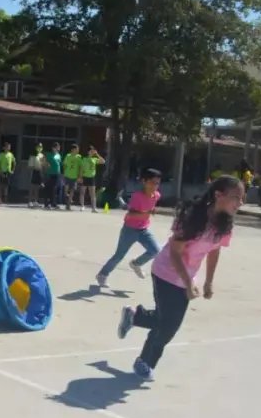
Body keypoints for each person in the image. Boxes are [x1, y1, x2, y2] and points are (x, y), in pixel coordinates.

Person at [117, 175, 242, 380]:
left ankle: (135, 317)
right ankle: (144, 362)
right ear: (219, 195)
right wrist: (187, 282)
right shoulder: (193, 217)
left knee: (168, 322)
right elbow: (175, 253)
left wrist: (209, 281)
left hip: (186, 276)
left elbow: (214, 250)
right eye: (236, 197)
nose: (240, 202)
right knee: (168, 324)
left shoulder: (224, 224)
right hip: (166, 271)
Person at [96, 168, 162, 286]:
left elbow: (149, 209)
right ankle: (102, 274)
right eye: (152, 182)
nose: (155, 186)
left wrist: (151, 211)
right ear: (144, 181)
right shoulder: (137, 196)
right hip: (129, 230)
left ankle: (136, 264)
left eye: (157, 183)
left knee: (155, 250)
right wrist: (146, 213)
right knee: (119, 255)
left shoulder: (156, 195)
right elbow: (131, 214)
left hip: (144, 229)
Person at [79, 145, 105, 212]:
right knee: (82, 192)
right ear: (88, 152)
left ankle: (94, 208)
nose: (92, 152)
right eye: (91, 151)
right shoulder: (84, 159)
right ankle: (82, 206)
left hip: (92, 177)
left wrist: (97, 154)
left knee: (92, 194)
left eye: (93, 151)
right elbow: (81, 169)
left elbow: (103, 161)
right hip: (85, 177)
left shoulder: (94, 159)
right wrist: (80, 177)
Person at [62, 143, 81, 210]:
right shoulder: (68, 156)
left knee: (72, 190)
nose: (78, 150)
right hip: (67, 175)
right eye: (76, 149)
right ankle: (66, 196)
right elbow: (64, 164)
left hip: (74, 176)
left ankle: (68, 204)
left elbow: (80, 167)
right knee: (66, 189)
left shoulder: (79, 157)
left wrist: (79, 176)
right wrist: (64, 172)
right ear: (73, 150)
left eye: (78, 149)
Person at [43, 142, 62, 209]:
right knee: (49, 188)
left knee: (55, 189)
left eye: (58, 148)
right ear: (53, 148)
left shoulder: (58, 155)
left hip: (57, 174)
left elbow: (59, 164)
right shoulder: (48, 154)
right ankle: (47, 203)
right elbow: (43, 161)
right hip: (50, 174)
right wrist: (46, 164)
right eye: (56, 147)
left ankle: (53, 203)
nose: (58, 149)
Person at [27, 143, 45, 208]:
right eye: (39, 146)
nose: (40, 148)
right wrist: (35, 168)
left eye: (41, 146)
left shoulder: (42, 155)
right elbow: (30, 166)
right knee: (32, 187)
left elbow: (43, 164)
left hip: (40, 172)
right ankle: (29, 201)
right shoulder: (32, 156)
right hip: (34, 171)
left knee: (37, 188)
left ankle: (35, 201)